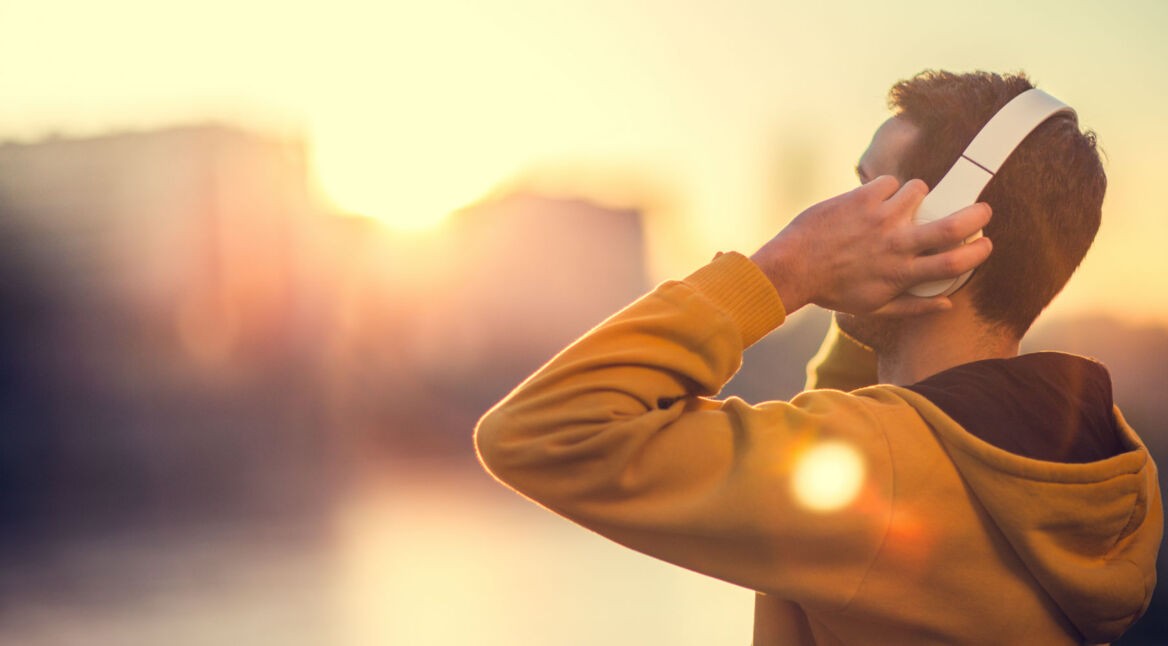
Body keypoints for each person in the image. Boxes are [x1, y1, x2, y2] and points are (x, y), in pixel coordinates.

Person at [474, 70, 1162, 644]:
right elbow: (858, 407)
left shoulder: (876, 470)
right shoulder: (1100, 460)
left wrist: (788, 269)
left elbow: (539, 431)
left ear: (943, 230)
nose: (840, 213)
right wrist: (885, 289)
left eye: (868, 191)